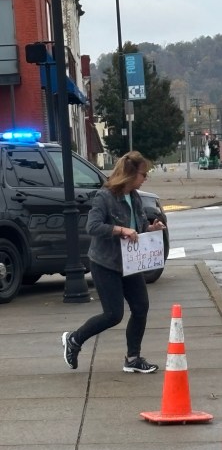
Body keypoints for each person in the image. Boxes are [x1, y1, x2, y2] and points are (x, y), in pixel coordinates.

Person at [61, 151, 167, 373]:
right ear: (129, 174)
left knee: (141, 307)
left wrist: (150, 228)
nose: (145, 178)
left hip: (129, 262)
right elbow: (93, 226)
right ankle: (74, 339)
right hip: (105, 263)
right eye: (143, 174)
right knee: (113, 314)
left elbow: (136, 227)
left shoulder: (135, 196)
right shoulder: (105, 196)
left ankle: (133, 358)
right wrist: (119, 230)